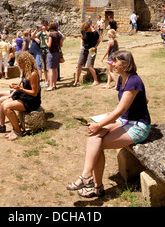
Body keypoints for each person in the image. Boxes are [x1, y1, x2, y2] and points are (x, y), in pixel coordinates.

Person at [66, 50, 151, 198]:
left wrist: (101, 124)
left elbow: (121, 109)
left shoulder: (134, 80)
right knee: (94, 136)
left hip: (138, 125)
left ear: (124, 64)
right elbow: (132, 105)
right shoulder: (121, 79)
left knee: (97, 142)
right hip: (125, 120)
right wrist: (107, 119)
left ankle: (92, 182)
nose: (111, 63)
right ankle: (89, 179)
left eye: (115, 61)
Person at [0, 52, 41, 141]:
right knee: (3, 103)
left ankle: (18, 131)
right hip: (25, 96)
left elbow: (34, 93)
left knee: (6, 106)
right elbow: (25, 85)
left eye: (20, 63)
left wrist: (20, 89)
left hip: (31, 101)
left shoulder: (33, 74)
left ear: (26, 62)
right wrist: (17, 86)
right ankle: (14, 128)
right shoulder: (26, 70)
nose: (18, 65)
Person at [73, 22, 101, 87]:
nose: (86, 31)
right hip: (84, 50)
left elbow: (98, 41)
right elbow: (82, 39)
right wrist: (81, 46)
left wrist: (95, 47)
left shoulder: (95, 33)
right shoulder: (83, 31)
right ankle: (76, 80)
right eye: (85, 30)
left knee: (89, 65)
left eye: (86, 30)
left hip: (91, 50)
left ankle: (96, 81)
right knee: (79, 65)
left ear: (89, 27)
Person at [45, 22, 64, 91]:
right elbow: (61, 45)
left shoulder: (51, 35)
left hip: (51, 53)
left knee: (50, 69)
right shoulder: (59, 35)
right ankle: (54, 85)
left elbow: (49, 45)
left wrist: (46, 42)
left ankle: (51, 85)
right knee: (55, 69)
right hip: (57, 53)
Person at [37, 22, 49, 87]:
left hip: (47, 51)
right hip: (42, 51)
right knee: (44, 67)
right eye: (42, 25)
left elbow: (49, 35)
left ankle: (48, 81)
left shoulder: (49, 32)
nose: (43, 26)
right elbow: (33, 36)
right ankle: (46, 81)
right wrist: (36, 30)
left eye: (44, 25)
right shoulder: (40, 33)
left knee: (48, 67)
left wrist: (45, 31)